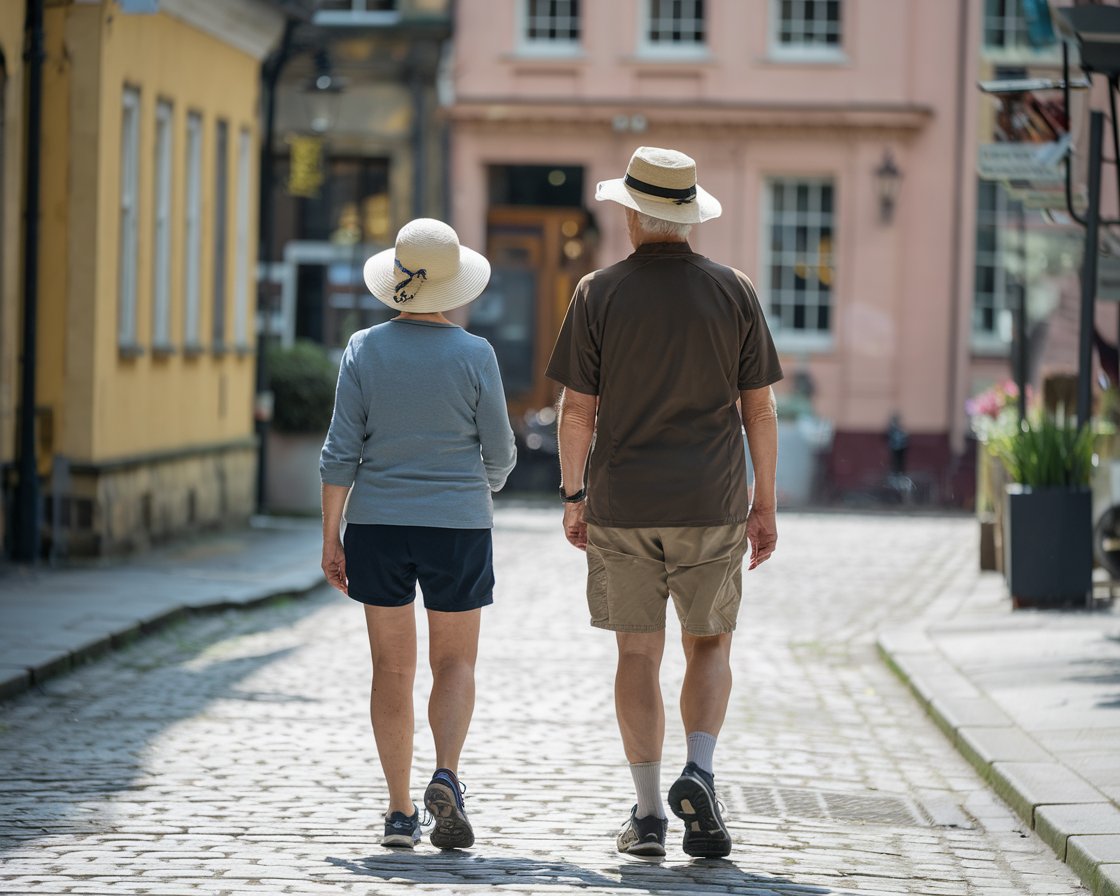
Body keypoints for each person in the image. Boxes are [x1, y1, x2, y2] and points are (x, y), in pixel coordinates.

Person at [546, 147, 783, 859]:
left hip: (622, 503)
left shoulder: (598, 291)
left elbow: (575, 412)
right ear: (686, 218)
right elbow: (760, 412)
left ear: (631, 213)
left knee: (637, 654)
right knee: (708, 644)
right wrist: (763, 504)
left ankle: (649, 815)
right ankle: (700, 771)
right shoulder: (733, 290)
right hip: (711, 502)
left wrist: (574, 494)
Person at [320, 218, 516, 851]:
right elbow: (503, 452)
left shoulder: (363, 349)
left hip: (376, 524)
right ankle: (447, 777)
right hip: (457, 525)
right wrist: (479, 481)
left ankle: (400, 812)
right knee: (454, 661)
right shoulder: (475, 354)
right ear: (454, 284)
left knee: (390, 668)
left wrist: (331, 536)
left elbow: (338, 453)